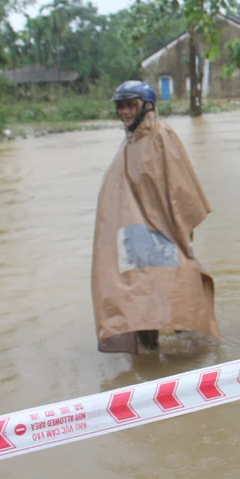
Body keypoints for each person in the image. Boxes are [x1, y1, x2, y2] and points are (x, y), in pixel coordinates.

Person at [91, 80, 219, 354]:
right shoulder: (130, 142)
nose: (124, 112)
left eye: (130, 106)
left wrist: (179, 230)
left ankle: (191, 350)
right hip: (136, 235)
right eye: (120, 107)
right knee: (141, 293)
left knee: (177, 288)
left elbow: (180, 187)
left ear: (145, 107)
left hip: (164, 231)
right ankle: (149, 354)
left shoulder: (162, 135)